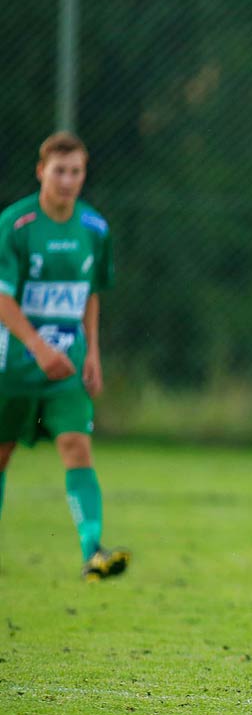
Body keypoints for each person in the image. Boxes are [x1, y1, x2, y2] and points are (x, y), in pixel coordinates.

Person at [0, 133, 127, 581]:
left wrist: (92, 351)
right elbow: (1, 297)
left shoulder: (94, 228)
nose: (69, 180)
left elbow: (90, 293)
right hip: (12, 364)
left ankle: (93, 552)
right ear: (41, 172)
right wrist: (37, 348)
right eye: (60, 171)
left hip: (68, 365)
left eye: (76, 171)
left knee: (77, 447)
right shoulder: (15, 225)